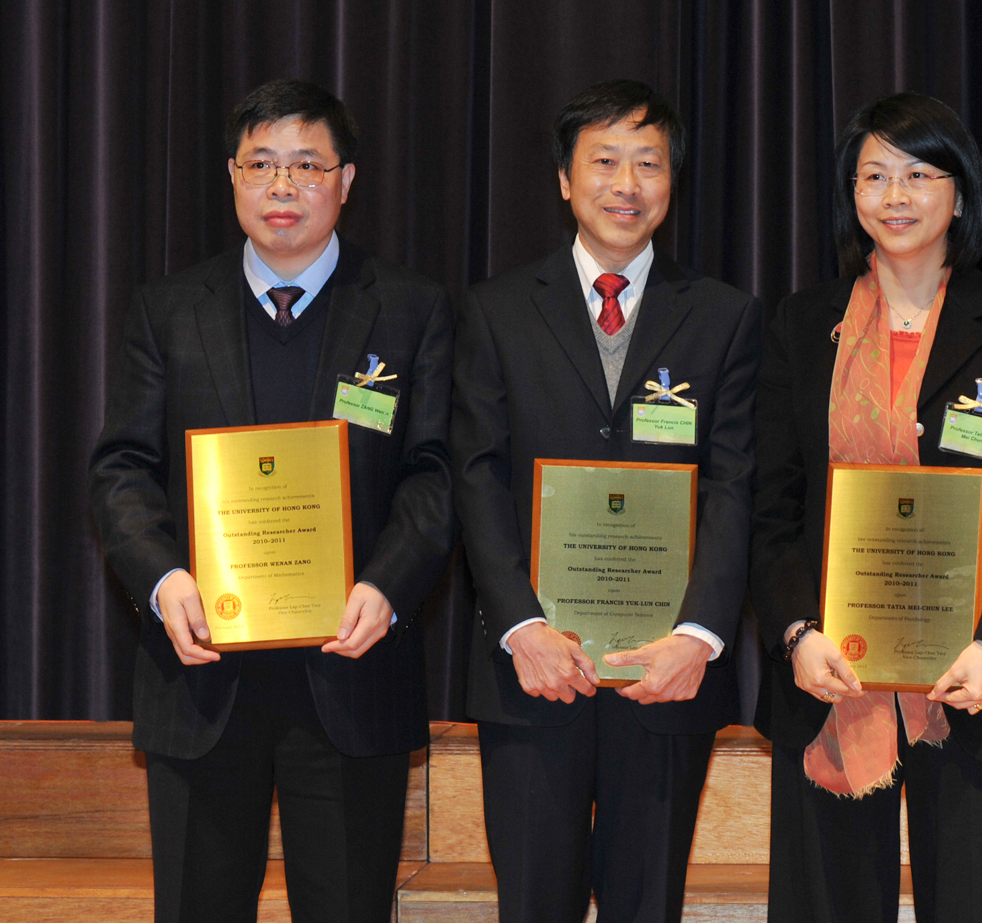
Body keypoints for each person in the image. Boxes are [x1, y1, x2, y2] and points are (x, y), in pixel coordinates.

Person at [89, 79, 454, 922]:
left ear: (346, 180)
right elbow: (121, 468)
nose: (282, 186)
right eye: (261, 164)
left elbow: (435, 472)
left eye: (306, 165)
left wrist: (388, 586)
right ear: (232, 175)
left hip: (352, 672)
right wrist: (164, 581)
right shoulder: (169, 310)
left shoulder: (410, 309)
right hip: (203, 678)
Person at [750, 92, 982, 923]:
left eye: (919, 175)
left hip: (975, 679)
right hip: (831, 674)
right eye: (873, 176)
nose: (894, 196)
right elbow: (771, 503)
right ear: (850, 195)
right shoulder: (802, 324)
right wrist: (796, 633)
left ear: (960, 194)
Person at [451, 79, 760, 923]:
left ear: (672, 182)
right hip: (532, 671)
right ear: (564, 179)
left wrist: (699, 637)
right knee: (533, 903)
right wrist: (520, 625)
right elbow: (475, 476)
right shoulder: (497, 310)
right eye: (605, 162)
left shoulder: (726, 317)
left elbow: (735, 484)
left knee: (647, 903)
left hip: (667, 676)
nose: (627, 185)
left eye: (648, 164)